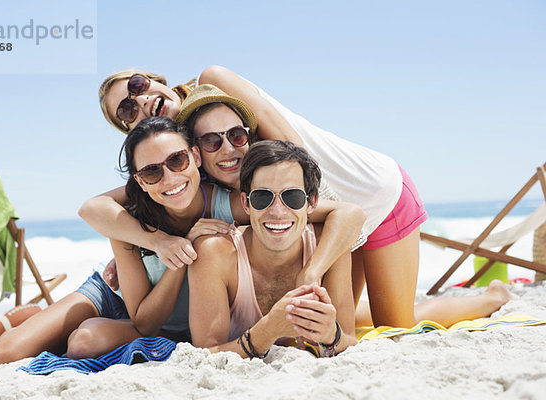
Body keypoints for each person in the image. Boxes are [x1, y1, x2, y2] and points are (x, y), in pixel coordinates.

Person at [95, 66, 429, 328]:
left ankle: (483, 301)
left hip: (377, 195)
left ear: (156, 81)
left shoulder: (214, 81)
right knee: (328, 320)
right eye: (126, 109)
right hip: (328, 219)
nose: (138, 100)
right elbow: (122, 203)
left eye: (137, 85)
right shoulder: (188, 161)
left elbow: (294, 152)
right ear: (132, 128)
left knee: (398, 324)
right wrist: (142, 244)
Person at [189, 140, 515, 358]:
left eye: (292, 197)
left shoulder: (327, 248)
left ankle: (494, 296)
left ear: (312, 203)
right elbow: (204, 354)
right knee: (378, 316)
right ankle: (491, 295)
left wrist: (331, 335)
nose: (277, 211)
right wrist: (268, 330)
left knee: (400, 320)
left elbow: (346, 341)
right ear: (246, 203)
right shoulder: (216, 255)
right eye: (263, 197)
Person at [0, 117, 233, 365]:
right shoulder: (128, 220)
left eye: (178, 161)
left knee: (83, 342)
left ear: (196, 157)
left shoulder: (230, 205)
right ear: (140, 181)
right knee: (3, 355)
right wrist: (171, 248)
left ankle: (52, 325)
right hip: (116, 300)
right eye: (151, 172)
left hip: (162, 325)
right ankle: (39, 319)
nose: (169, 179)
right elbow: (144, 321)